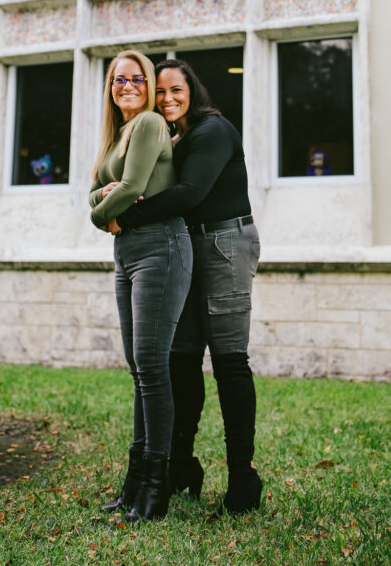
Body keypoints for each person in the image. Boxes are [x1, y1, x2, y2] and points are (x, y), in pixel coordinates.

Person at [116, 58, 262, 515]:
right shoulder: (170, 136)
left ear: (191, 90)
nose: (167, 98)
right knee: (181, 360)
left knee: (229, 362)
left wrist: (126, 215)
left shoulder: (212, 130)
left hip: (224, 245)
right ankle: (182, 464)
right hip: (185, 249)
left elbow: (191, 193)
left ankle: (243, 479)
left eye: (175, 89)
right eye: (159, 92)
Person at [89, 50, 192, 523]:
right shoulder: (118, 135)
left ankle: (156, 486)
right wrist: (104, 202)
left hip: (161, 248)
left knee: (151, 365)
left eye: (135, 78)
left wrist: (100, 212)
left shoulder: (150, 123)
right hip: (127, 251)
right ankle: (135, 482)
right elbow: (97, 188)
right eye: (117, 79)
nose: (125, 85)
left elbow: (126, 188)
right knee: (138, 367)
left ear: (148, 85)